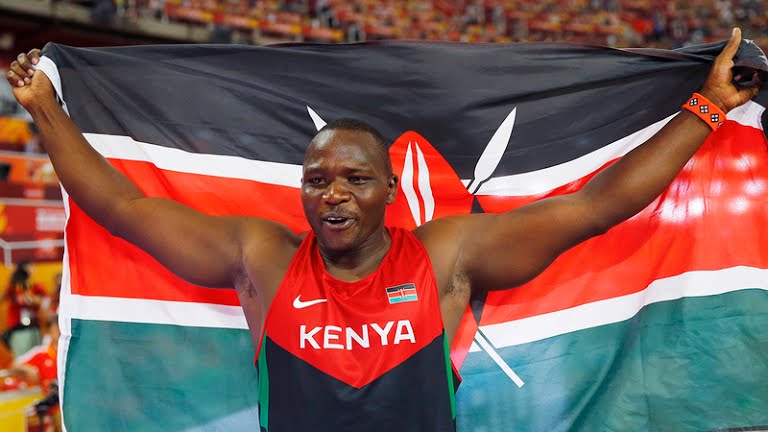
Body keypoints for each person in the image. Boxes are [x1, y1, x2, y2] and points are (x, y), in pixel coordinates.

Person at [5, 28, 761, 431]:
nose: (332, 193)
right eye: (317, 179)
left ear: (390, 191)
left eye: (354, 178)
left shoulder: (446, 257)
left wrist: (706, 105)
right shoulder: (261, 258)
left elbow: (596, 208)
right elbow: (123, 210)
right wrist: (44, 108)